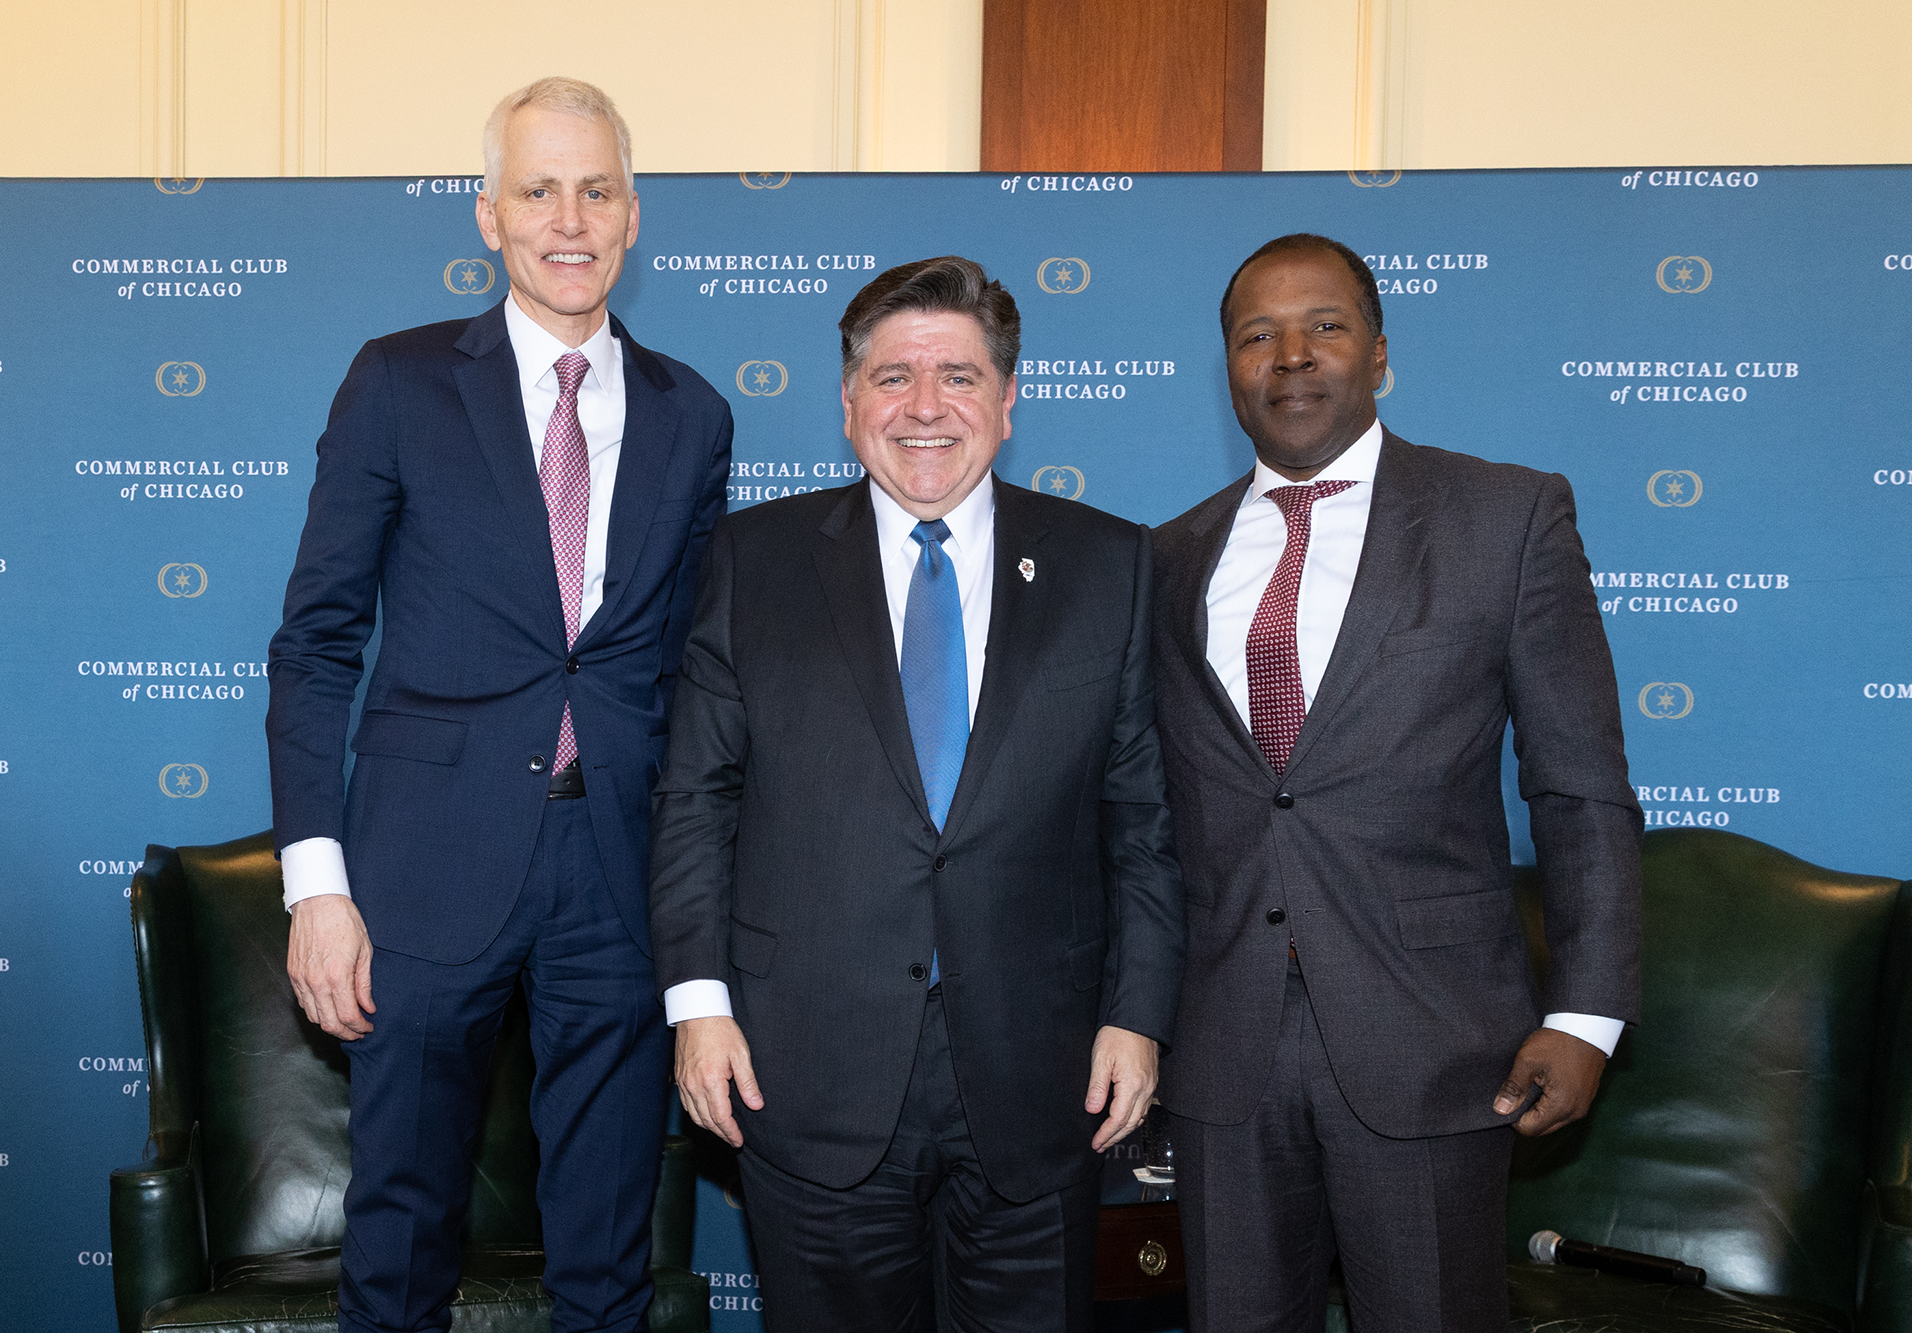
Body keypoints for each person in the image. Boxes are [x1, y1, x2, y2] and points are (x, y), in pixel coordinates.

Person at [267, 77, 732, 1333]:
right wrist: (317, 885)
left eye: (595, 191)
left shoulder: (694, 414)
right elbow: (314, 644)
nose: (568, 220)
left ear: (632, 215)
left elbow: (692, 672)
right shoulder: (398, 382)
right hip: (422, 865)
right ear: (489, 215)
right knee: (400, 1232)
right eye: (538, 191)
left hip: (616, 870)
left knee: (607, 1249)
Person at [648, 255, 1186, 1332]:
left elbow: (1142, 823)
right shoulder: (752, 559)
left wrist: (1138, 1015)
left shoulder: (1110, 565)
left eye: (959, 376)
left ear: (1008, 400)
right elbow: (696, 800)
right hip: (805, 1068)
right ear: (849, 404)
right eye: (893, 377)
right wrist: (698, 1007)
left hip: (1043, 1076)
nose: (926, 406)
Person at [1150, 233, 1641, 1332]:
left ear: (1379, 352)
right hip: (1219, 1051)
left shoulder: (1505, 517)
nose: (1290, 355)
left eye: (1323, 326)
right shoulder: (1166, 559)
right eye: (1257, 335)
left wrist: (1587, 1014)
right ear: (1227, 369)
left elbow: (1579, 787)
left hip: (1431, 1039)